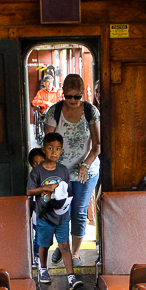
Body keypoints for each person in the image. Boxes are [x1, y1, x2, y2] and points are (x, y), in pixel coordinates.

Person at [45, 73, 101, 266]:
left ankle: (75, 253)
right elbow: (48, 145)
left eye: (77, 97)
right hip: (62, 171)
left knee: (79, 211)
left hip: (86, 170)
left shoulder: (90, 111)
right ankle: (63, 248)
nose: (73, 101)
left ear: (82, 94)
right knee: (61, 212)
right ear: (63, 94)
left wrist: (86, 165)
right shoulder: (54, 112)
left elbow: (97, 145)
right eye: (68, 96)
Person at [26, 132, 83, 290]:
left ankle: (71, 276)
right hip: (44, 216)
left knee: (64, 245)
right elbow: (29, 192)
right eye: (50, 148)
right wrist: (46, 189)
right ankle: (43, 269)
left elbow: (67, 190)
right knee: (44, 244)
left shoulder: (63, 170)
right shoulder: (37, 172)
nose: (54, 152)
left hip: (61, 215)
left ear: (62, 151)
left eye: (57, 149)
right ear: (43, 149)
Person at [28, 147, 45, 267]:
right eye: (35, 163)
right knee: (38, 234)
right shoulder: (32, 177)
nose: (38, 165)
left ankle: (38, 256)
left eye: (41, 162)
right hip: (35, 211)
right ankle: (36, 256)